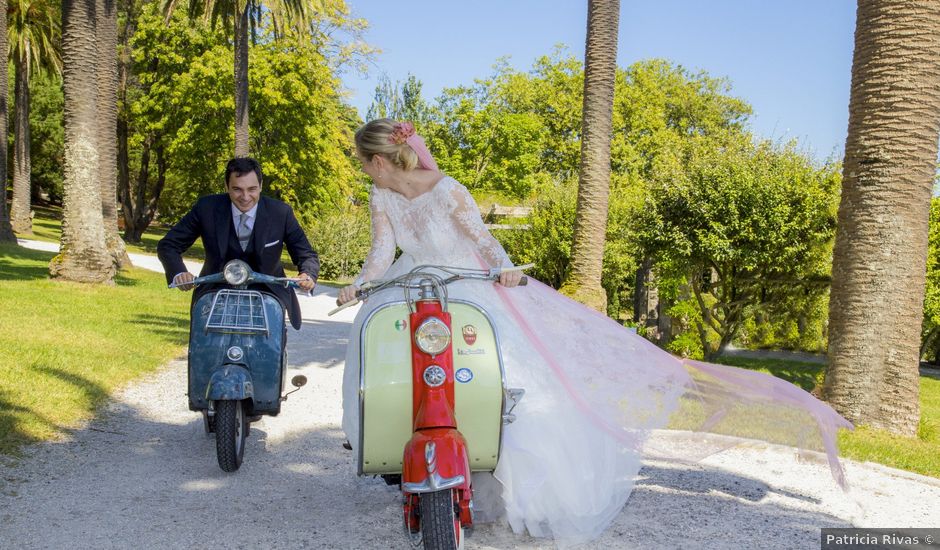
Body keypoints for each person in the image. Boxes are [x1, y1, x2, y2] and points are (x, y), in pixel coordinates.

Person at [338, 119, 851, 546]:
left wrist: (507, 268)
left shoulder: (448, 189)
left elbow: (485, 242)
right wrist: (359, 284)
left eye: (364, 162)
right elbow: (383, 254)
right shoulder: (380, 197)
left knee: (513, 387)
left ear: (380, 159)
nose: (364, 171)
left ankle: (509, 486)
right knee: (390, 355)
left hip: (467, 287)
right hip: (416, 287)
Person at [158, 157, 318, 330]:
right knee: (207, 349)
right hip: (215, 294)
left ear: (261, 186)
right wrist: (179, 273)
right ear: (226, 187)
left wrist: (307, 274)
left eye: (252, 189)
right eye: (237, 189)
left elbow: (306, 254)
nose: (245, 197)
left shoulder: (280, 213)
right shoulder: (207, 208)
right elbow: (168, 245)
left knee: (270, 350)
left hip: (268, 295)